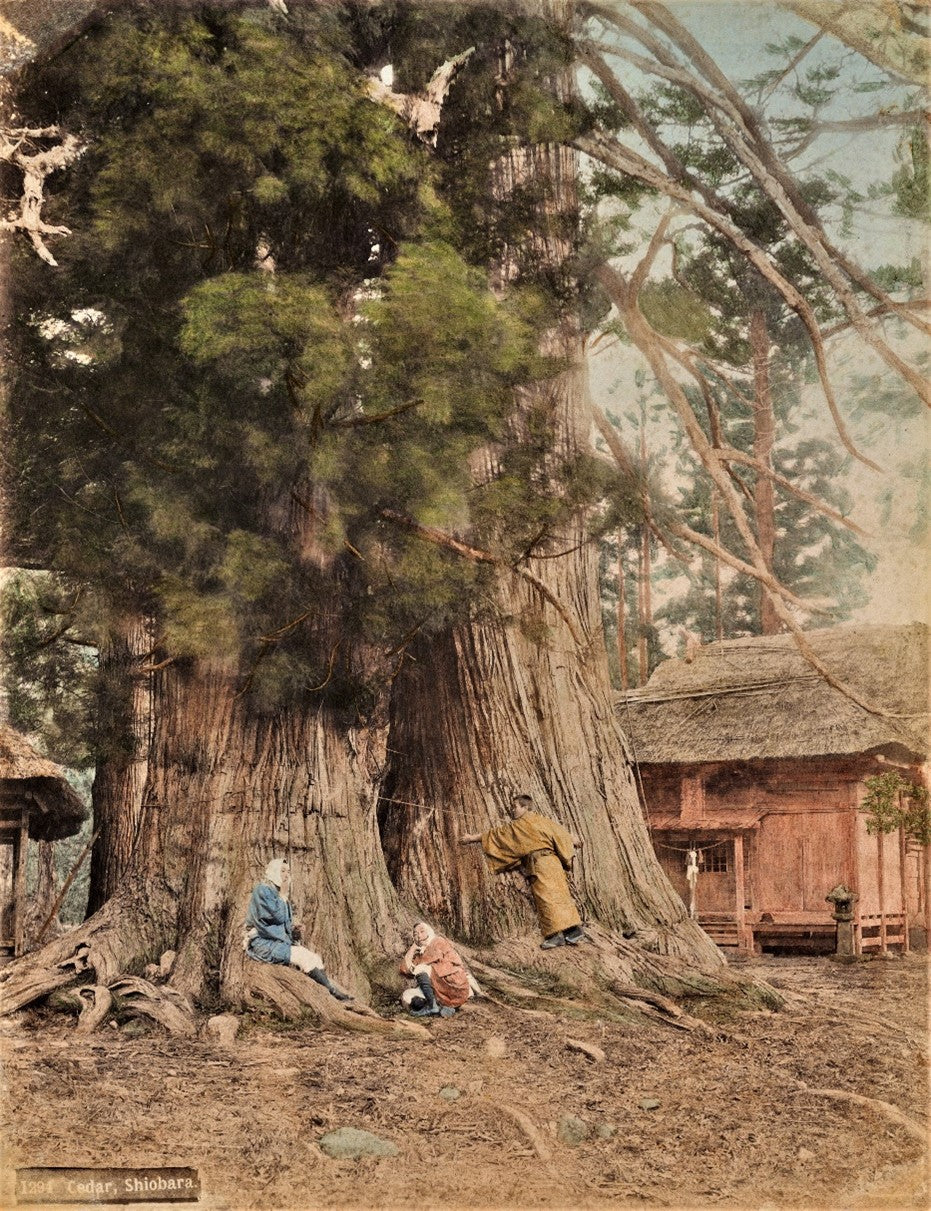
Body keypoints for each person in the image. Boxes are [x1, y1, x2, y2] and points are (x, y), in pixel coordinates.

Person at [461, 793, 585, 949]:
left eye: (515, 807)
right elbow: (561, 834)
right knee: (559, 896)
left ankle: (556, 935)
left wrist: (472, 838)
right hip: (552, 863)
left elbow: (497, 835)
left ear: (525, 807)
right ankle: (574, 930)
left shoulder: (521, 824)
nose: (512, 810)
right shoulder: (541, 821)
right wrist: (573, 841)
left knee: (546, 898)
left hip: (541, 864)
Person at [244, 858, 352, 1001]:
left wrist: (293, 928)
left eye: (288, 871)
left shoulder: (278, 891)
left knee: (315, 958)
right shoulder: (263, 890)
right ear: (273, 871)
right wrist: (283, 895)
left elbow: (281, 922)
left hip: (274, 940)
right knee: (302, 956)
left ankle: (329, 991)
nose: (286, 875)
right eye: (282, 871)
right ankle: (332, 992)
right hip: (262, 943)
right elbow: (274, 917)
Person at [399, 921, 474, 1018]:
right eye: (415, 934)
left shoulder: (437, 941)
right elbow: (404, 969)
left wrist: (418, 965)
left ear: (429, 932)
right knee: (407, 996)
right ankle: (441, 1007)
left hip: (451, 982)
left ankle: (432, 1006)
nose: (419, 936)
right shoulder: (420, 953)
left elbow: (423, 965)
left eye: (422, 932)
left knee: (421, 968)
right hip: (435, 987)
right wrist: (413, 948)